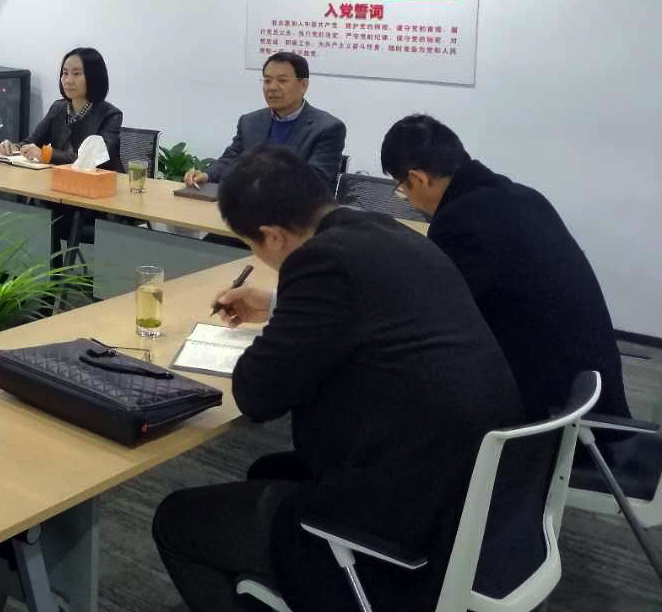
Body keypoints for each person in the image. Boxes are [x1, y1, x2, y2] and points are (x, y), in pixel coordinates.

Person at [153, 147, 521, 612]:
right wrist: (281, 306)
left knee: (177, 520)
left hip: (410, 519)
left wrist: (287, 312)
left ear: (272, 236)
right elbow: (369, 318)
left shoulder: (319, 262)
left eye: (253, 246)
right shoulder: (385, 231)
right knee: (268, 472)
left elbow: (257, 394)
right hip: (482, 490)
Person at [381, 114, 630, 426]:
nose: (407, 198)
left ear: (418, 179)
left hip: (550, 405)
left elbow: (436, 315)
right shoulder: (522, 196)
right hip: (591, 383)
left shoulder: (461, 219)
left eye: (401, 189)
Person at [183, 52, 345, 190]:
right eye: (267, 80)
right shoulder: (250, 121)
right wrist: (207, 175)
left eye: (282, 81)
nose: (272, 87)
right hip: (248, 207)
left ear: (303, 85)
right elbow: (231, 160)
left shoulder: (328, 128)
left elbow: (315, 180)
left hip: (299, 212)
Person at [0, 47, 123, 170]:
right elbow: (32, 142)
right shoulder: (58, 108)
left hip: (101, 180)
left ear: (94, 77)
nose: (68, 80)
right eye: (65, 73)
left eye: (76, 74)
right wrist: (14, 147)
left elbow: (89, 161)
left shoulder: (110, 115)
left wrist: (46, 154)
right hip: (61, 177)